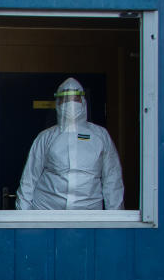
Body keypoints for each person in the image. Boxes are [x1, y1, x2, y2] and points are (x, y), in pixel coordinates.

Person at [16, 77, 124, 210]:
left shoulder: (100, 136)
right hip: (47, 211)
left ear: (83, 102)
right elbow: (29, 179)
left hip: (88, 214)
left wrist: (115, 219)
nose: (70, 104)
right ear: (57, 103)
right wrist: (23, 217)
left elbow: (112, 179)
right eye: (65, 99)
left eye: (75, 99)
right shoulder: (46, 137)